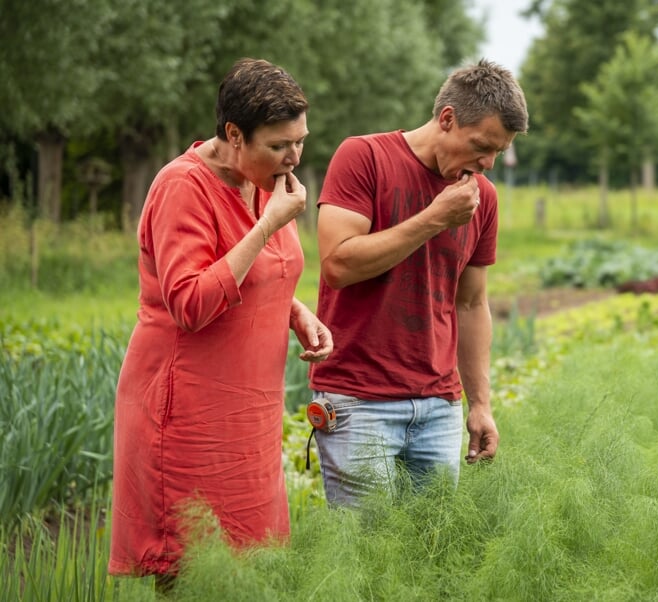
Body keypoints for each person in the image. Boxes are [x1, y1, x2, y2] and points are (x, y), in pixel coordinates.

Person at [108, 58, 332, 589]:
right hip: (187, 416)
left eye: (300, 141)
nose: (293, 157)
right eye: (279, 145)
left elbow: (255, 275)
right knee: (194, 574)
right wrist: (267, 225)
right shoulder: (181, 187)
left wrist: (294, 310)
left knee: (248, 572)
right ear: (234, 134)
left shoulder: (263, 181)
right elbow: (189, 302)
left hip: (247, 416)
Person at [310, 59, 528, 506]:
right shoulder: (364, 157)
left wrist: (480, 404)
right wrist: (433, 219)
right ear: (447, 119)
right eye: (481, 145)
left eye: (498, 153)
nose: (486, 163)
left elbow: (471, 304)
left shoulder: (482, 197)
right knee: (371, 557)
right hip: (359, 400)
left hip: (439, 408)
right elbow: (338, 264)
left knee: (431, 553)